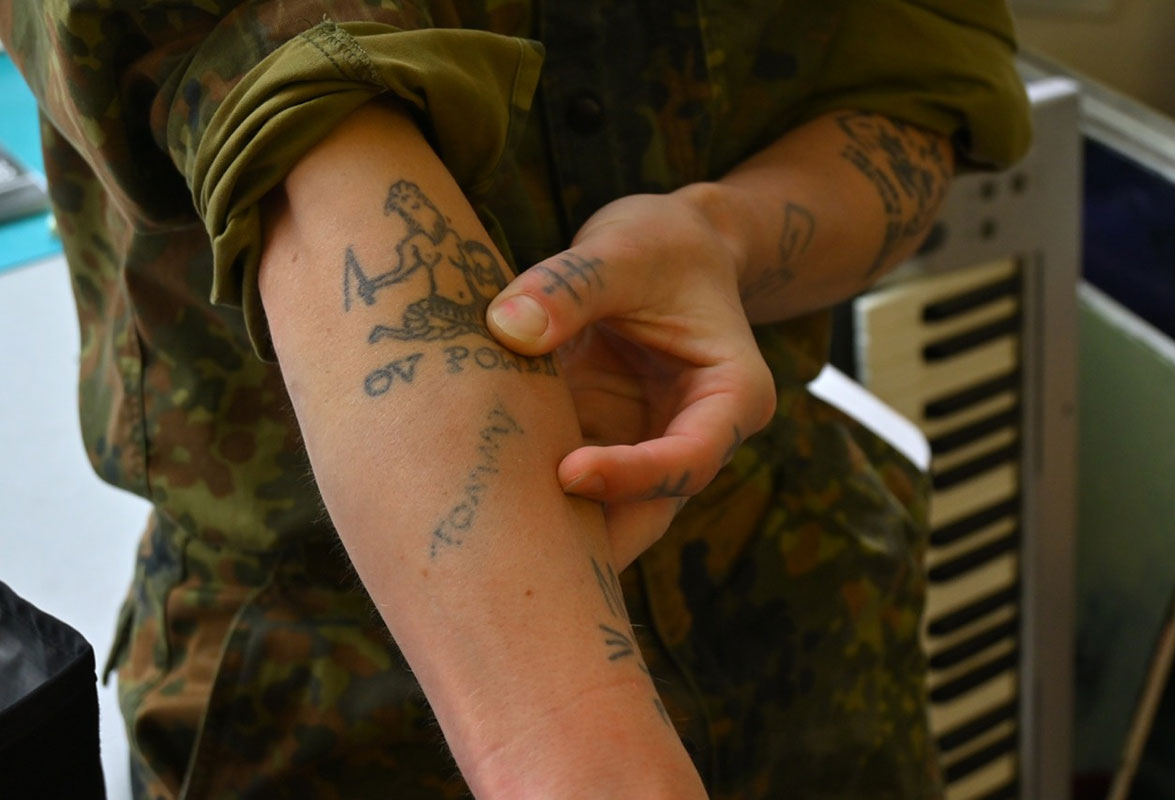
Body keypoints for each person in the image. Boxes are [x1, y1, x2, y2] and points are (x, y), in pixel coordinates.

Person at [0, 2, 1030, 797]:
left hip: (796, 601)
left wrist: (725, 236)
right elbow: (302, 127)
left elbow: (917, 91)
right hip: (327, 687)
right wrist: (576, 748)